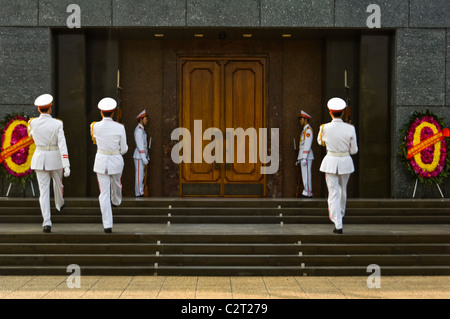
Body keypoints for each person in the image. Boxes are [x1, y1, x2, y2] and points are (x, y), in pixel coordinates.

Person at [28, 94, 70, 233]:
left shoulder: (32, 123)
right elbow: (62, 144)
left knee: (44, 192)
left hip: (40, 159)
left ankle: (47, 222)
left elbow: (31, 135)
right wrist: (66, 164)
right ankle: (59, 203)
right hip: (55, 158)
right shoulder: (58, 123)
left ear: (39, 109)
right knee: (58, 184)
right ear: (50, 108)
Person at [317, 98, 358, 234]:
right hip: (345, 161)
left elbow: (321, 142)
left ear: (330, 113)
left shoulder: (324, 128)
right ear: (343, 112)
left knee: (333, 193)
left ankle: (338, 222)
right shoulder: (350, 128)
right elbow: (354, 151)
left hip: (331, 161)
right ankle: (340, 215)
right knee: (342, 191)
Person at [90, 97, 128, 233]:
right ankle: (116, 200)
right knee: (116, 184)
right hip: (116, 159)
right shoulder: (120, 127)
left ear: (101, 112)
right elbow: (123, 149)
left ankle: (107, 224)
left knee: (104, 193)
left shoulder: (94, 126)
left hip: (101, 161)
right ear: (113, 113)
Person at [296, 110, 314, 198]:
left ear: (305, 119)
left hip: (306, 156)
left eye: (301, 119)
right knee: (305, 175)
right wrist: (299, 158)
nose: (300, 121)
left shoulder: (308, 130)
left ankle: (308, 193)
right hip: (303, 156)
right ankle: (306, 191)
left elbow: (307, 144)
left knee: (306, 174)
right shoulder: (304, 130)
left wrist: (304, 157)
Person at [133, 110, 149, 197]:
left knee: (142, 175)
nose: (147, 120)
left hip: (142, 156)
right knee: (139, 176)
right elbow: (140, 146)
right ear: (141, 119)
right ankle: (139, 193)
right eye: (145, 119)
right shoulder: (139, 130)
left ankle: (140, 191)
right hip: (139, 156)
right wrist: (143, 158)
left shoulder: (142, 130)